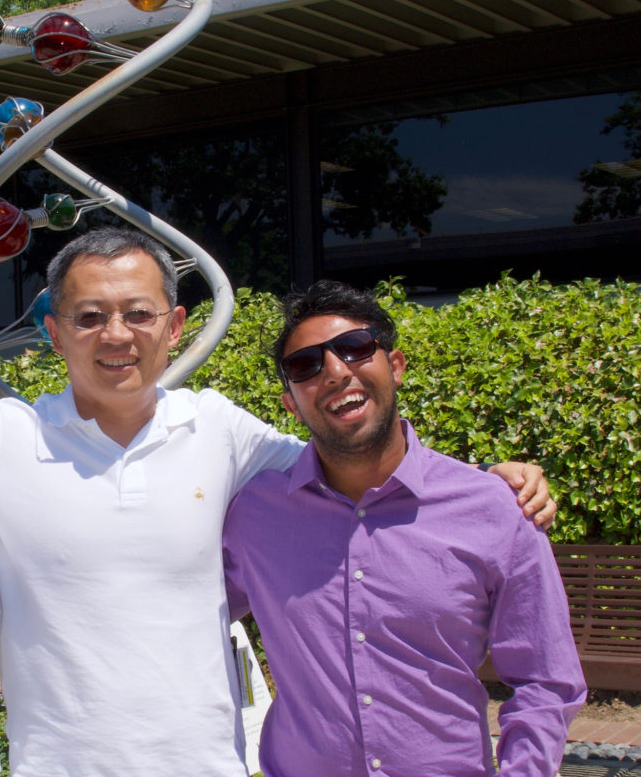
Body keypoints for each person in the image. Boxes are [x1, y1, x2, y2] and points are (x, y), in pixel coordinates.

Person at [0, 230, 555, 777]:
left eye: (139, 313)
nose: (118, 335)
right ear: (53, 331)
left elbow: (351, 457)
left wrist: (491, 481)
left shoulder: (219, 431)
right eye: (92, 315)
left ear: (175, 326)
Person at [222, 280, 585, 777]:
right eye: (306, 365)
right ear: (291, 403)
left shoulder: (493, 509)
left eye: (354, 349)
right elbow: (179, 610)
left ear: (394, 366)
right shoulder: (255, 514)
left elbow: (546, 680)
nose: (334, 371)